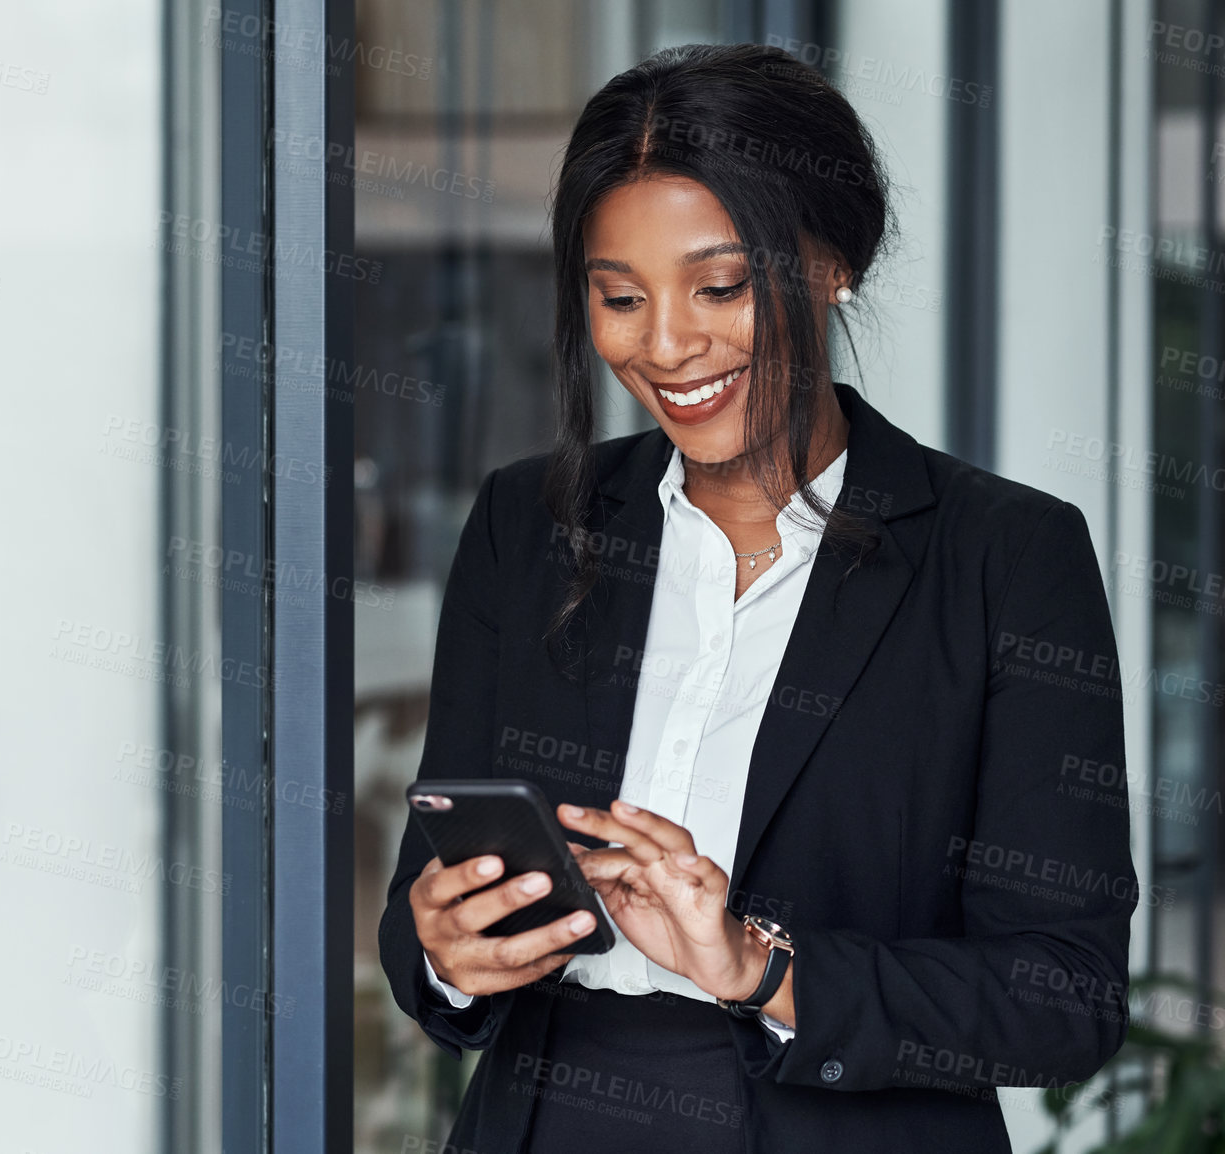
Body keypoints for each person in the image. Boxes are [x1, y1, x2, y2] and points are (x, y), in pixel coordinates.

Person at [379, 41, 1136, 1153]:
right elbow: (425, 902)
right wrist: (446, 953)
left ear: (831, 261)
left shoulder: (1007, 556)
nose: (669, 343)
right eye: (619, 297)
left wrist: (761, 966)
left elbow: (1065, 997)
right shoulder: (527, 525)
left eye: (720, 286)